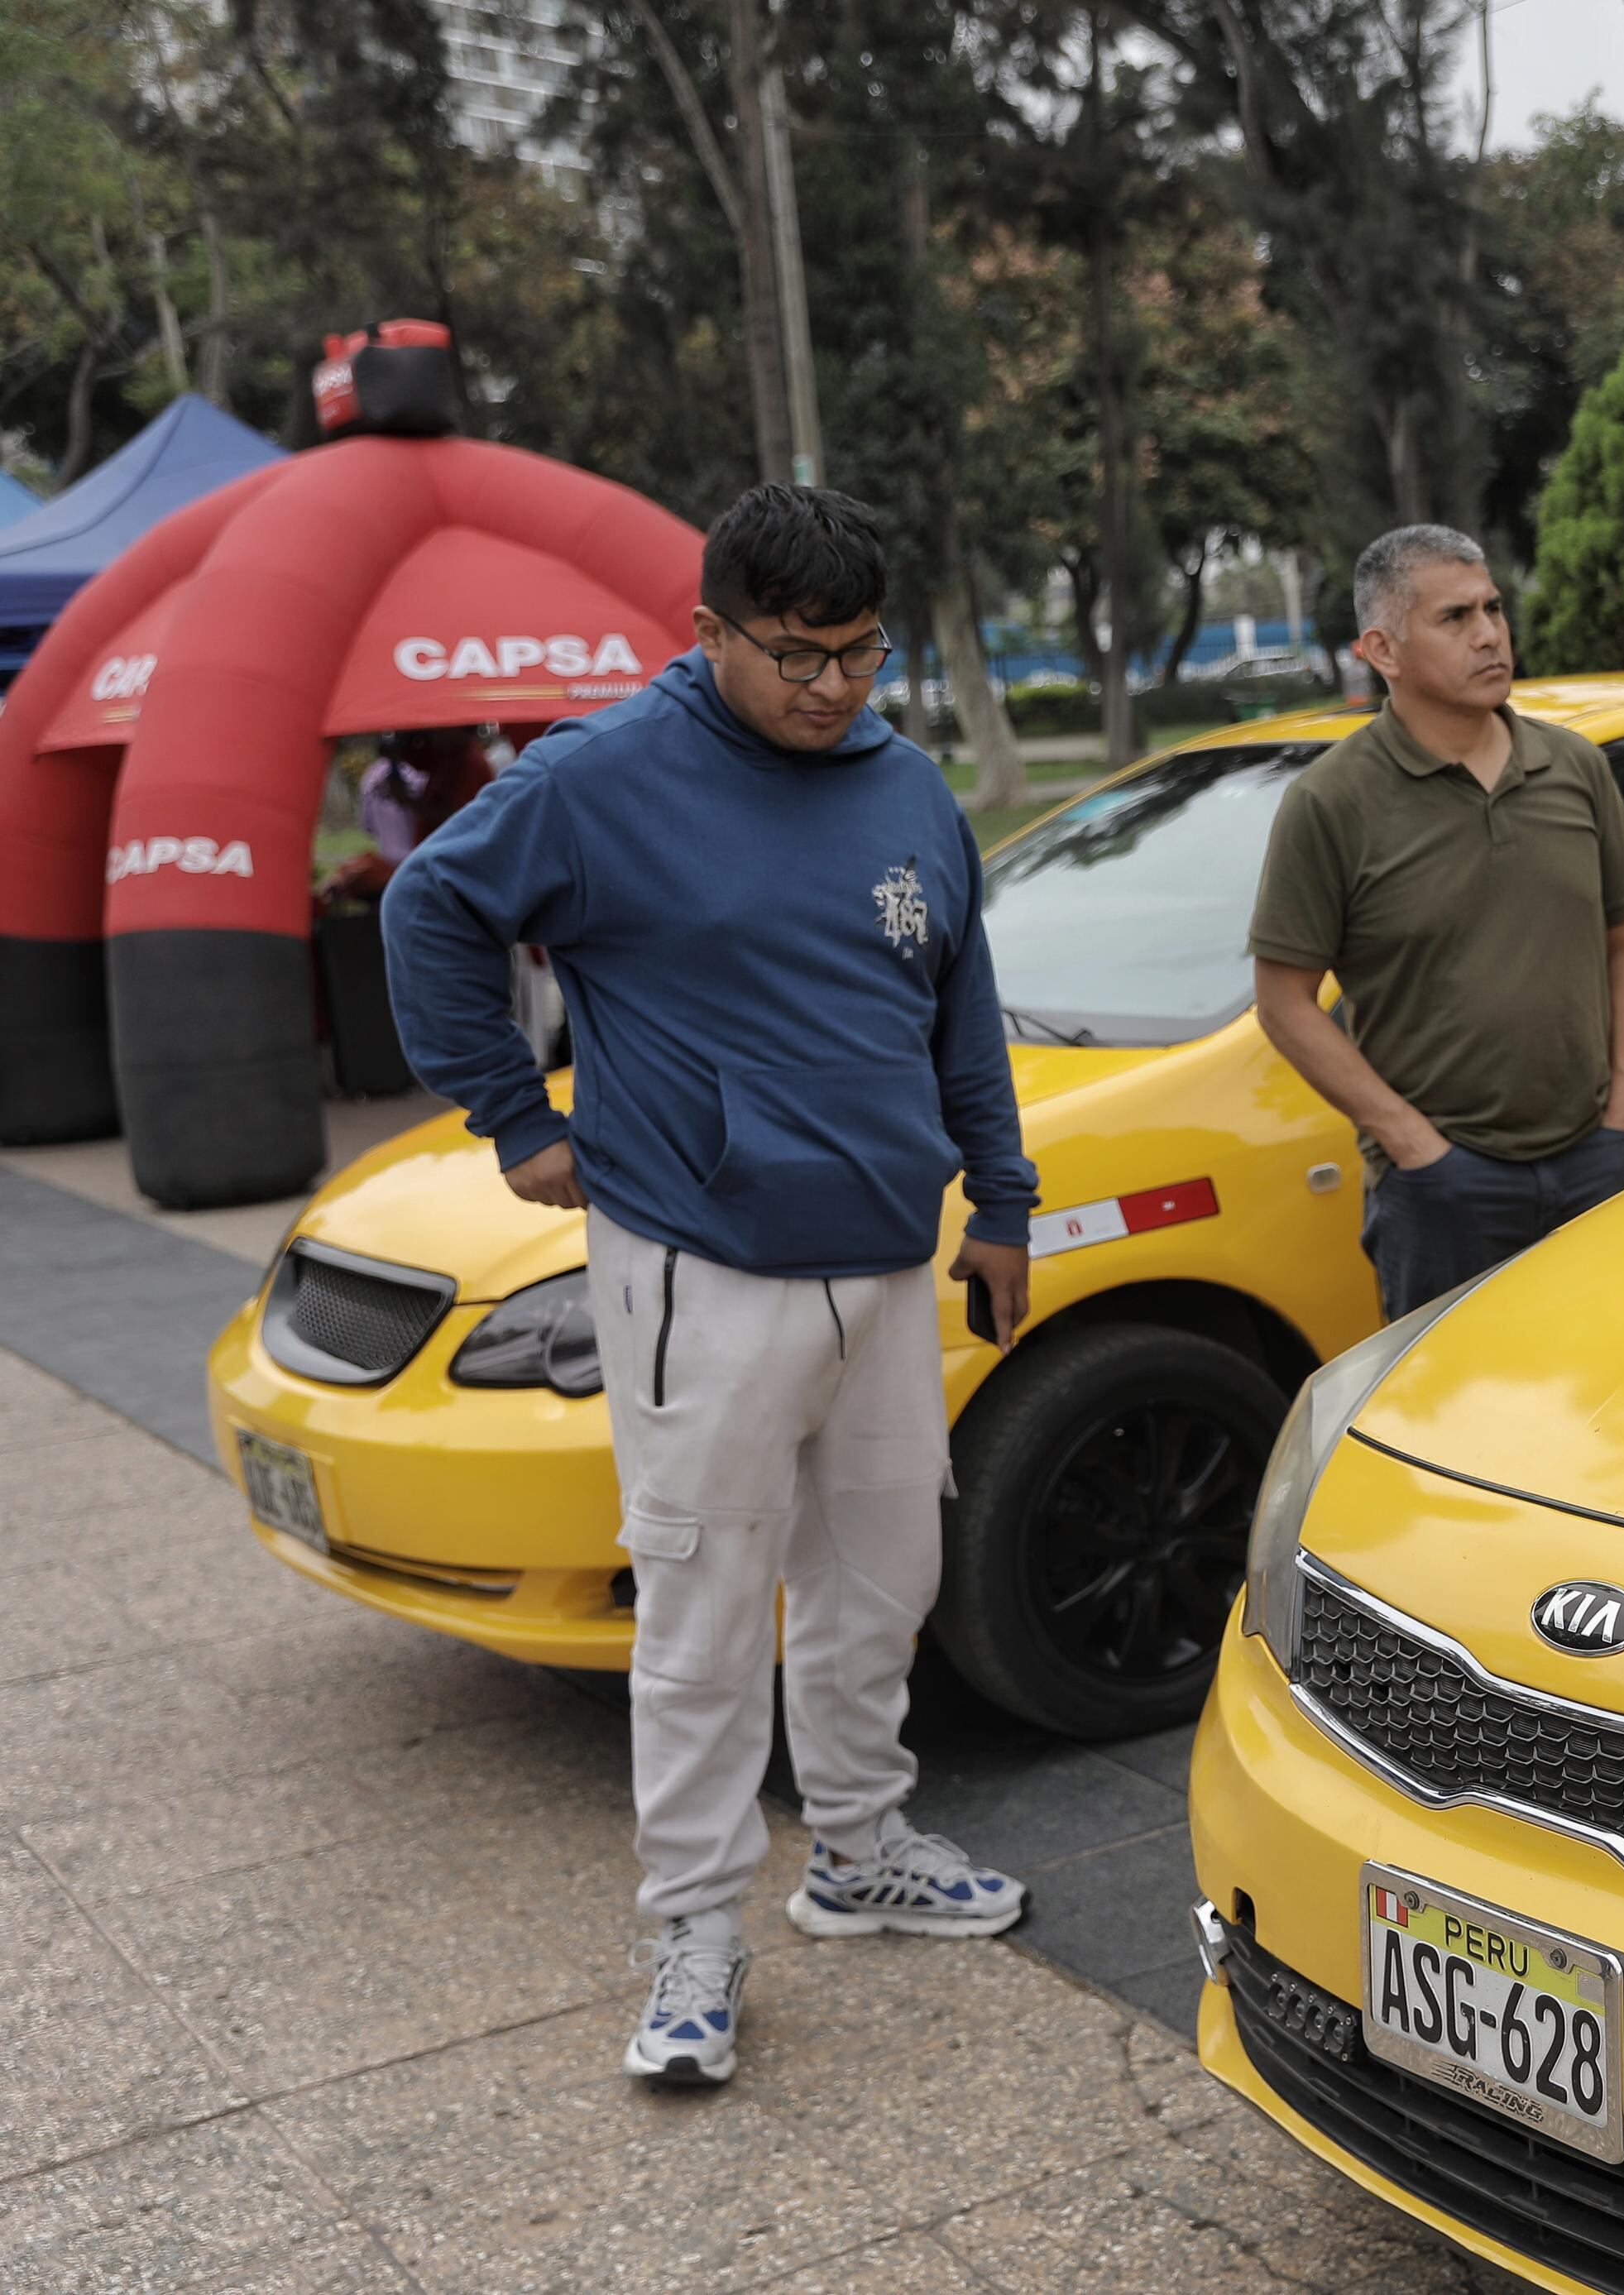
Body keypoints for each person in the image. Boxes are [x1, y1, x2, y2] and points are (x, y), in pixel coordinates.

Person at [382, 485, 1041, 2087]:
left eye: (862, 654)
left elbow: (959, 1007)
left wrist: (1001, 1196)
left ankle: (861, 1848)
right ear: (711, 632)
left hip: (887, 1258)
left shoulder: (904, 786)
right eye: (799, 654)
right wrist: (517, 1121)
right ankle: (692, 1931)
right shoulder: (603, 778)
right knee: (697, 1617)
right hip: (702, 1268)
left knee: (880, 1581)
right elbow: (429, 908)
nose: (832, 686)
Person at [1248, 525, 1624, 1320]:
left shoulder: (1574, 768)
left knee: (1612, 1411)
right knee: (1454, 1428)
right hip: (1443, 1191)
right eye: (1455, 618)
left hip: (1597, 1163)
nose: (1489, 636)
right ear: (1383, 651)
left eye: (1494, 609)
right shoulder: (1331, 803)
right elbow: (1285, 1003)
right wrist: (1412, 1145)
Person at [316, 723, 497, 908]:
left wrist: (407, 800)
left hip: (451, 870)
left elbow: (454, 815)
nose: (433, 733)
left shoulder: (468, 762)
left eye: (440, 728)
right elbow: (419, 760)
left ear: (457, 728)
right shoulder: (447, 759)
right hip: (425, 865)